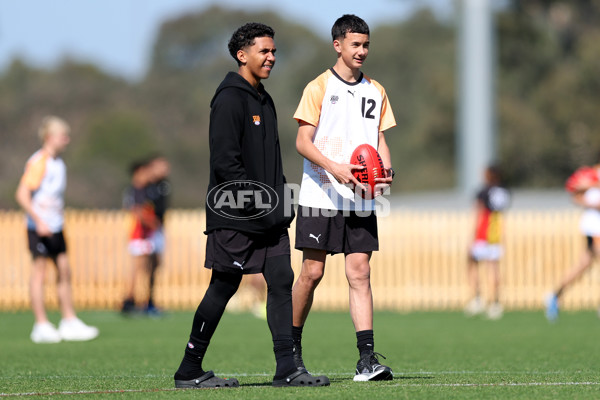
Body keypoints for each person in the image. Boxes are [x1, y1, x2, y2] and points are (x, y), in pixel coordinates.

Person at [173, 22, 329, 389]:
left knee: (280, 280)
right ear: (242, 55)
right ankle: (188, 370)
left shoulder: (265, 99)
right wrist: (258, 203)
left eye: (274, 51)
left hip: (269, 215)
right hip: (235, 214)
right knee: (224, 285)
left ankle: (287, 368)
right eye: (264, 51)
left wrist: (280, 199)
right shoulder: (228, 98)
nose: (272, 57)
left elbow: (270, 160)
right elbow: (225, 163)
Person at [291, 14, 395, 382]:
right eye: (355, 44)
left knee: (360, 272)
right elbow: (302, 141)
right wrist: (334, 167)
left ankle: (366, 360)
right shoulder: (318, 87)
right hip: (320, 193)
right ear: (338, 45)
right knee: (312, 272)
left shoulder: (376, 90)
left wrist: (386, 171)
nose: (362, 51)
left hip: (362, 198)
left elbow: (379, 139)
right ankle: (291, 352)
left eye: (366, 44)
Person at [15, 116, 99, 343]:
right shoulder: (39, 161)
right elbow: (22, 195)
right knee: (39, 273)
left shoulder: (59, 163)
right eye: (64, 136)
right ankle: (41, 325)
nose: (67, 140)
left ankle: (68, 320)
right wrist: (39, 220)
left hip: (56, 227)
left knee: (64, 271)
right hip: (39, 228)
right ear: (50, 137)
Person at [545, 163, 600, 322]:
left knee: (583, 265)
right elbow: (573, 191)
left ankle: (554, 295)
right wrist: (591, 200)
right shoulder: (589, 173)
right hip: (594, 227)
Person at [463, 165, 511, 320]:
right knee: (493, 266)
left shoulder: (483, 192)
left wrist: (471, 236)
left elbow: (479, 213)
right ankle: (495, 303)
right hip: (495, 232)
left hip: (483, 232)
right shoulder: (504, 191)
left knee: (472, 262)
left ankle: (477, 299)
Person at [121, 160, 160, 315]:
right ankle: (129, 300)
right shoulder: (136, 190)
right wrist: (151, 222)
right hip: (139, 234)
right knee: (137, 269)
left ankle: (137, 300)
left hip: (144, 234)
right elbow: (137, 211)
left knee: (144, 268)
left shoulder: (143, 189)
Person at [144, 155, 171, 315]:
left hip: (159, 228)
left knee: (156, 265)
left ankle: (150, 300)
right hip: (148, 230)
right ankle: (140, 300)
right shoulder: (147, 185)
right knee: (144, 266)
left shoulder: (164, 185)